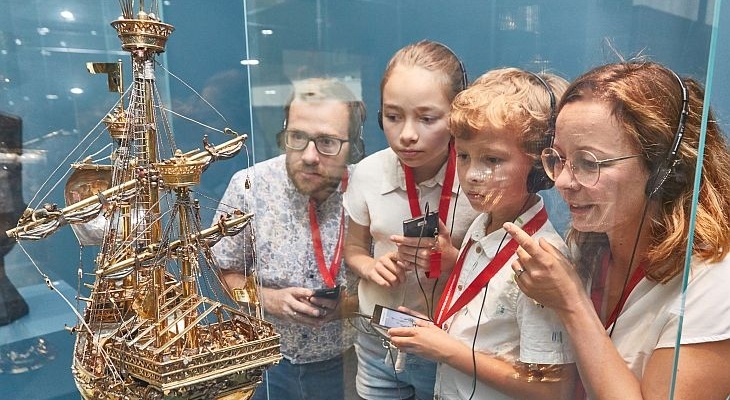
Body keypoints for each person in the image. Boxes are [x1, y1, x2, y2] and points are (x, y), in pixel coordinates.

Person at [504, 61, 730, 400]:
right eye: (559, 159)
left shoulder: (714, 284)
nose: (563, 182)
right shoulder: (592, 247)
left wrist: (571, 302)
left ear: (664, 170)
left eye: (589, 163)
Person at [388, 68, 577, 400]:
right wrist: (434, 333)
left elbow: (553, 389)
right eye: (463, 156)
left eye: (492, 159)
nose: (472, 175)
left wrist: (447, 350)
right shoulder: (484, 222)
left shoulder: (539, 260)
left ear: (538, 167)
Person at [212, 77, 365, 400]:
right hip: (265, 361)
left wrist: (347, 306)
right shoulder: (249, 188)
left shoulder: (369, 191)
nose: (310, 156)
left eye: (327, 142)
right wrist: (269, 299)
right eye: (297, 137)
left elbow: (392, 293)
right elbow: (221, 271)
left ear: (352, 144)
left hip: (345, 363)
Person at [343, 40, 479, 400]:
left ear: (457, 116)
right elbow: (354, 248)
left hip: (448, 342)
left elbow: (497, 271)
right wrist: (369, 267)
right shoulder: (369, 173)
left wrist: (454, 263)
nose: (406, 134)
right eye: (393, 116)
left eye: (427, 118)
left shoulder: (476, 178)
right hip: (379, 338)